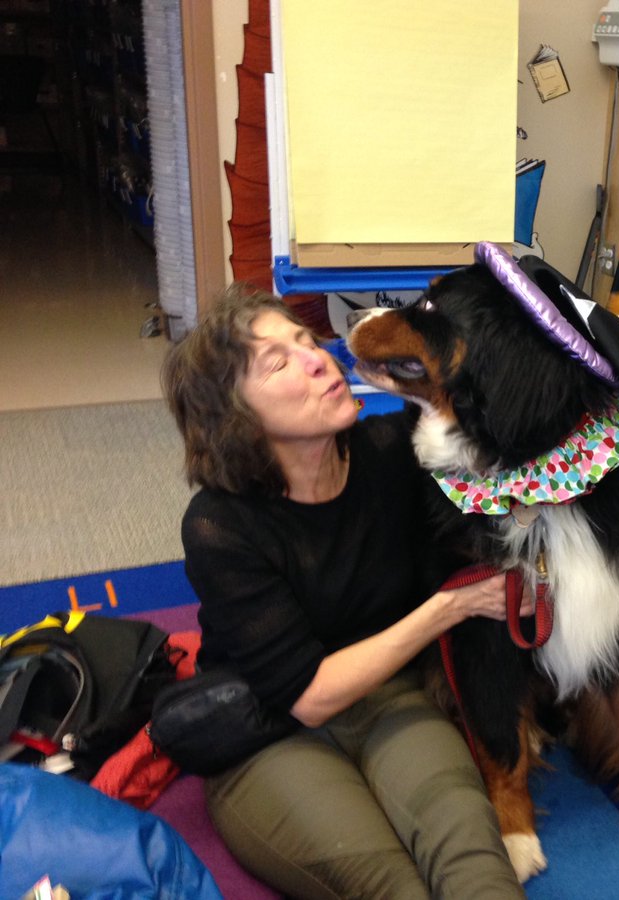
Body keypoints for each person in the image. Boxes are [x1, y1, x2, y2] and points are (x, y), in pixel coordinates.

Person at [161, 284, 524, 899]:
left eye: (306, 340)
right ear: (235, 417)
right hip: (271, 730)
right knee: (392, 887)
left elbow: (496, 433)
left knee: (473, 859)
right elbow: (309, 697)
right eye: (278, 362)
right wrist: (451, 607)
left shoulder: (392, 452)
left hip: (392, 698)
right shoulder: (218, 525)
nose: (319, 358)